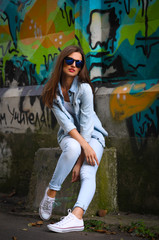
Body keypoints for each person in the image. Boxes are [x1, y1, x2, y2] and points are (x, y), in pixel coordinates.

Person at [39, 45, 108, 233]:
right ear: (62, 61)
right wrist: (81, 150)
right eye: (69, 60)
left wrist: (79, 164)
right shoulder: (52, 91)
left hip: (92, 135)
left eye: (78, 63)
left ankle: (77, 217)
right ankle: (51, 192)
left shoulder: (84, 88)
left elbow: (86, 127)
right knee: (72, 148)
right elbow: (67, 126)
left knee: (87, 172)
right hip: (69, 135)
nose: (73, 65)